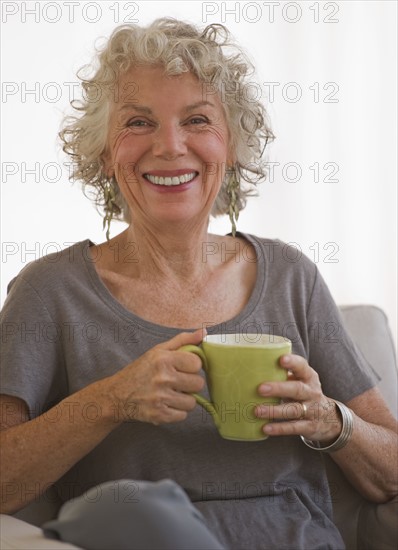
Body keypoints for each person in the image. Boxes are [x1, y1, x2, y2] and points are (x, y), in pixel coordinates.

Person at [1, 18, 397, 550]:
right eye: (138, 122)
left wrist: (330, 419)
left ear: (230, 146)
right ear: (103, 151)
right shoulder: (51, 290)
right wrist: (114, 398)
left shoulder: (291, 277)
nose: (169, 146)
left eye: (197, 120)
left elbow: (389, 470)